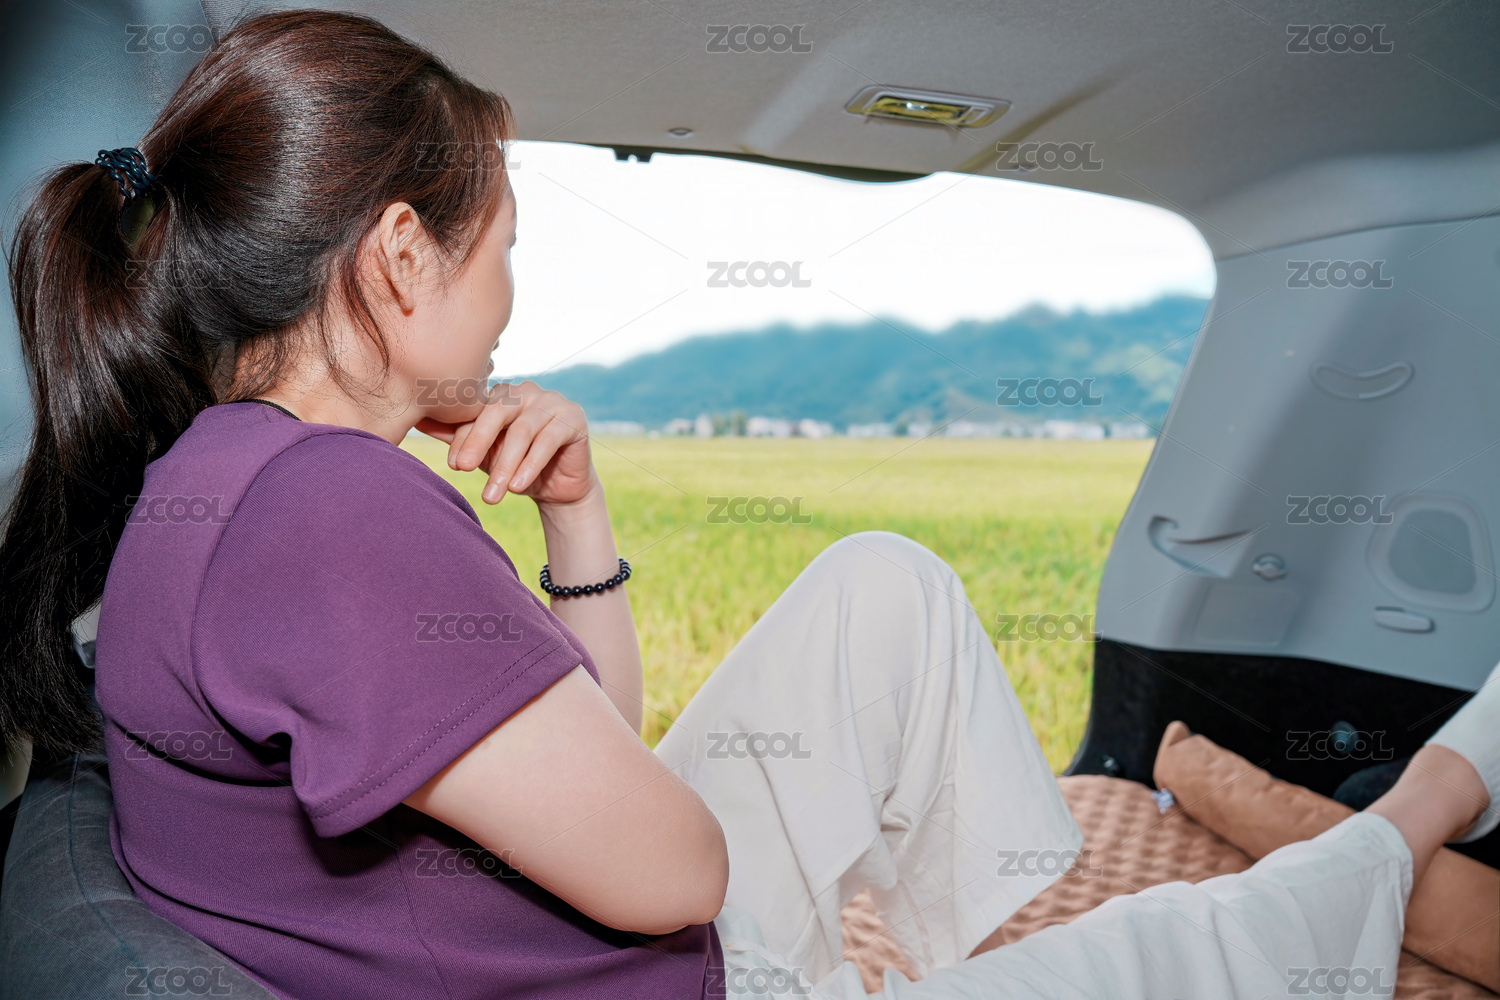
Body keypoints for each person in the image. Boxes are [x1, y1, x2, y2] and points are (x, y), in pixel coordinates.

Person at [1, 9, 1495, 1000]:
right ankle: (1416, 816)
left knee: (884, 583)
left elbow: (584, 760)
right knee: (1189, 947)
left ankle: (944, 962)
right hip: (669, 968)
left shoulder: (222, 476)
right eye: (505, 242)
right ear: (400, 257)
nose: (513, 290)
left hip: (588, 942)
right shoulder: (332, 511)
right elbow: (679, 873)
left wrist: (576, 516)